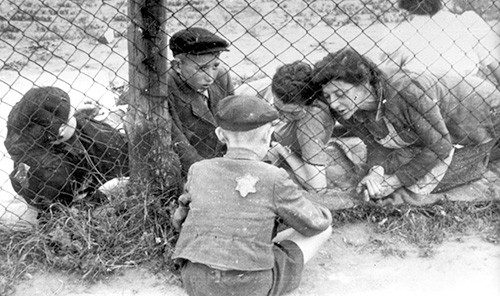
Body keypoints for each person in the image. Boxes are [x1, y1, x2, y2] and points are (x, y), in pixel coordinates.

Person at [171, 95, 333, 296]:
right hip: (249, 286)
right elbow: (316, 224)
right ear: (268, 136)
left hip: (196, 281)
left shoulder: (198, 169)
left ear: (220, 135)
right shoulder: (274, 176)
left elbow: (179, 220)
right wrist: (320, 210)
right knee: (323, 231)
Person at [312, 47, 500, 205]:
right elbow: (375, 143)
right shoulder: (350, 109)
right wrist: (376, 172)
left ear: (364, 83)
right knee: (405, 166)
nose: (333, 104)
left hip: (483, 115)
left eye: (340, 94)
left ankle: (485, 153)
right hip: (440, 126)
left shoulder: (405, 91)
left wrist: (395, 181)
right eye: (328, 97)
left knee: (422, 182)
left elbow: (440, 145)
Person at [4, 87, 129, 211]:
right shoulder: (58, 173)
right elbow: (74, 212)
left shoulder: (30, 142)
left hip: (35, 184)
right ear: (61, 130)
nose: (74, 114)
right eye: (71, 115)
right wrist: (106, 191)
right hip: (80, 195)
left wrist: (70, 115)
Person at [267, 61, 364, 192]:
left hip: (276, 142)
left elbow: (317, 186)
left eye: (292, 113)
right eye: (276, 107)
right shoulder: (293, 96)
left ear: (311, 103)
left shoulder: (311, 120)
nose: (279, 116)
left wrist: (283, 152)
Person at [378, 0, 500, 85]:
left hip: (426, 104)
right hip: (469, 100)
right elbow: (496, 66)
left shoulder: (398, 34)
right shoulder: (468, 22)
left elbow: (388, 79)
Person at [167, 27, 235, 175]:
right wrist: (205, 175)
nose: (210, 76)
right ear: (177, 66)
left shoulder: (222, 76)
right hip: (190, 169)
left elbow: (233, 122)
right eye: (202, 68)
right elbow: (179, 144)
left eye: (215, 66)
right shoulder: (165, 87)